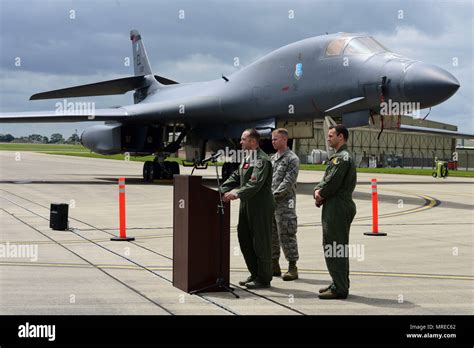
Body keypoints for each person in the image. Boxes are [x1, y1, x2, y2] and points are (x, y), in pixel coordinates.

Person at [221, 128, 275, 289]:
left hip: (260, 206)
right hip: (247, 204)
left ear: (253, 141)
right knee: (244, 238)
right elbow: (236, 176)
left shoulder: (261, 160)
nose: (240, 142)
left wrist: (236, 194)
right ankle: (255, 273)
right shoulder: (247, 157)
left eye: (243, 139)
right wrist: (222, 189)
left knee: (261, 241)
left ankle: (264, 278)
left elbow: (255, 184)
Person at [314, 124, 357, 299]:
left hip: (338, 206)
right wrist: (319, 190)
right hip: (334, 204)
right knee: (335, 246)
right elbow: (326, 181)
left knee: (335, 246)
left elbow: (332, 183)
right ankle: (338, 283)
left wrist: (320, 194)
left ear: (341, 137)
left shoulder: (342, 158)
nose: (328, 138)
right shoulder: (338, 157)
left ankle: (340, 288)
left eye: (331, 135)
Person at [270, 128, 300, 281]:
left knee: (287, 234)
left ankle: (292, 267)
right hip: (271, 204)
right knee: (272, 235)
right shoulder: (273, 158)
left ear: (284, 140)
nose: (273, 142)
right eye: (272, 139)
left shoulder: (292, 159)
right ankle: (274, 264)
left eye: (275, 139)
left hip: (285, 204)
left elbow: (288, 182)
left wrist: (272, 196)